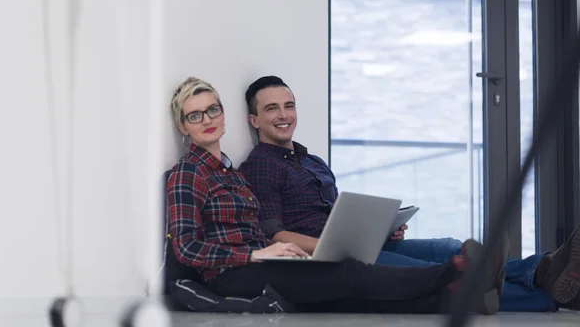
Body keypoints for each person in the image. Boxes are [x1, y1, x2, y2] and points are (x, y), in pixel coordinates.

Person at [238, 75, 580, 313]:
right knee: (441, 271)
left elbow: (336, 214)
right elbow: (274, 233)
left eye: (289, 105)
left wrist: (381, 229)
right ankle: (548, 294)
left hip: (359, 245)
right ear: (254, 120)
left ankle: (543, 269)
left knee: (448, 246)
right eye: (272, 109)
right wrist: (335, 248)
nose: (284, 115)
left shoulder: (311, 160)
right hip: (332, 258)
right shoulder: (261, 165)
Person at [166, 76, 506, 315]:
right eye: (194, 115)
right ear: (184, 126)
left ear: (223, 114)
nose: (207, 120)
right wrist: (257, 254)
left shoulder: (231, 173)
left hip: (262, 262)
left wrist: (283, 251)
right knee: (349, 274)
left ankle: (456, 301)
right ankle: (454, 273)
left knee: (348, 296)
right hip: (233, 275)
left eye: (213, 110)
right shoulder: (188, 172)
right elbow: (186, 248)